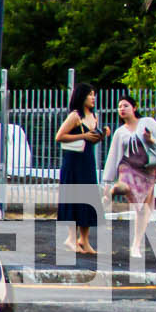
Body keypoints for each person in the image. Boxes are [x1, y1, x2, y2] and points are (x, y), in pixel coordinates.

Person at [101, 94, 156, 259]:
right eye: (119, 107)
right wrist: (107, 182)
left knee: (143, 209)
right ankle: (114, 190)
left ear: (134, 108)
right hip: (128, 167)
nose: (122, 109)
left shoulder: (147, 123)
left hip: (147, 170)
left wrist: (151, 140)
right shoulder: (120, 132)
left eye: (125, 106)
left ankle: (136, 245)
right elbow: (113, 156)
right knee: (124, 187)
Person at [54, 82, 107, 257]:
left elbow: (91, 140)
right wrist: (83, 135)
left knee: (89, 197)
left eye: (94, 94)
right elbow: (59, 136)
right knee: (73, 197)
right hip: (73, 161)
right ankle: (71, 238)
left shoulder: (94, 116)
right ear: (81, 96)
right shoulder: (75, 116)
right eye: (89, 94)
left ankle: (84, 239)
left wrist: (101, 136)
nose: (93, 98)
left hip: (87, 161)